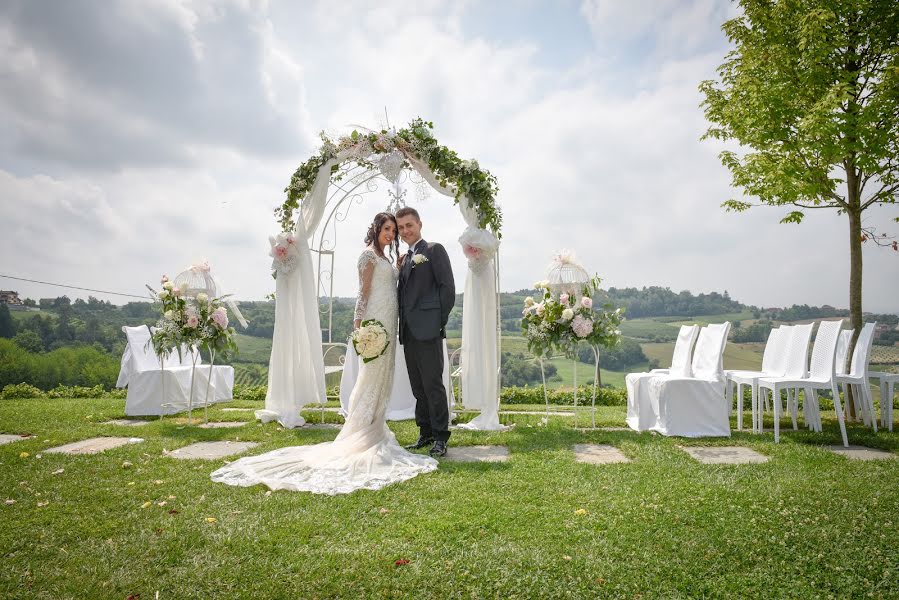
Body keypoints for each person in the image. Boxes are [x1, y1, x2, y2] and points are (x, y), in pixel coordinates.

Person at [211, 212, 437, 494]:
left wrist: (400, 265)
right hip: (375, 324)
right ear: (377, 229)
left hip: (390, 325)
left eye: (394, 230)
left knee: (383, 379)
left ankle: (376, 428)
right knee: (370, 378)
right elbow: (362, 294)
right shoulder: (367, 256)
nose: (391, 234)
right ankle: (361, 432)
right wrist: (360, 328)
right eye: (387, 229)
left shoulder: (387, 258)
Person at [395, 207, 456, 458]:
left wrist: (436, 322)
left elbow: (447, 289)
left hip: (428, 330)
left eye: (409, 225)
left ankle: (441, 437)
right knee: (418, 387)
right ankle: (426, 432)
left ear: (420, 224)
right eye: (401, 228)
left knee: (433, 385)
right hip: (408, 332)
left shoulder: (433, 250)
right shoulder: (407, 258)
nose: (405, 230)